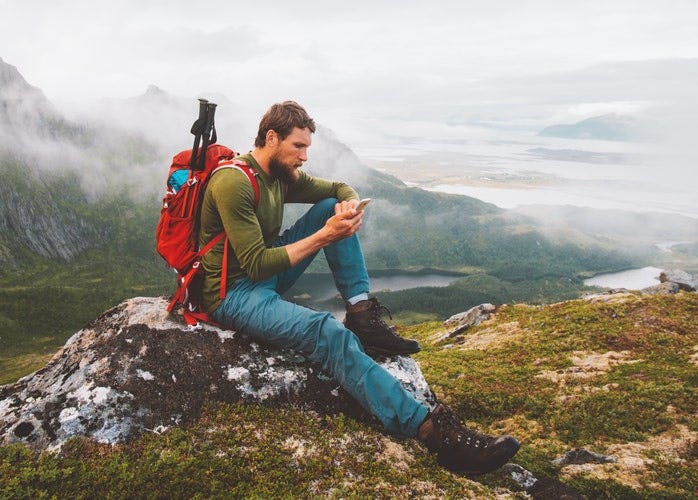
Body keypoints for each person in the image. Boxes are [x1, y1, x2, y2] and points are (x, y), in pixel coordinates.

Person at [198, 101, 520, 475]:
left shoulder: (277, 175)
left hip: (264, 278)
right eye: (298, 147)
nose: (304, 157)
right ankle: (431, 432)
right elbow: (254, 263)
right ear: (271, 138)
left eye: (307, 148)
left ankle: (362, 314)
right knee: (327, 333)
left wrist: (346, 208)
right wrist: (324, 235)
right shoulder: (233, 181)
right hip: (231, 293)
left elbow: (336, 188)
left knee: (331, 206)